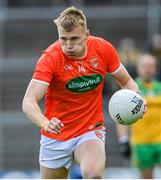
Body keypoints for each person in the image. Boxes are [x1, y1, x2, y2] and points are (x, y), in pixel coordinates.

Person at [22, 6, 144, 179]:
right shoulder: (50, 58)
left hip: (89, 130)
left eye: (74, 39)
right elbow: (28, 102)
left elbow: (126, 82)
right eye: (63, 39)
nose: (68, 45)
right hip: (55, 135)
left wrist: (137, 99)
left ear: (87, 34)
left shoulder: (103, 49)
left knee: (93, 174)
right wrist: (44, 122)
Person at [117, 54, 161, 179]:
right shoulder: (129, 91)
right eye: (145, 66)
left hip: (160, 141)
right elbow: (121, 117)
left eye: (151, 66)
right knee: (146, 177)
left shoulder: (160, 88)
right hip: (141, 143)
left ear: (155, 69)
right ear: (138, 68)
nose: (148, 69)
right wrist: (123, 141)